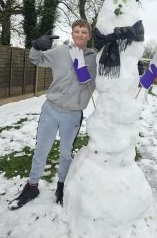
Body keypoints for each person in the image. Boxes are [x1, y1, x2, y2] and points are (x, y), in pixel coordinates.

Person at [9, 20, 96, 210]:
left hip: (72, 115)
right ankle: (32, 187)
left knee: (66, 153)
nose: (80, 34)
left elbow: (112, 76)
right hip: (51, 109)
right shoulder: (60, 52)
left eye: (84, 31)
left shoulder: (95, 59)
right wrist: (35, 46)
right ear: (72, 34)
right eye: (76, 31)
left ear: (89, 36)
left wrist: (136, 71)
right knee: (41, 149)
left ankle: (61, 186)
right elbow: (36, 59)